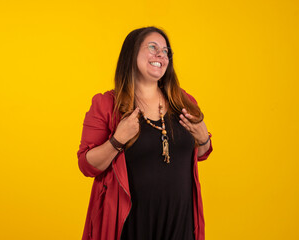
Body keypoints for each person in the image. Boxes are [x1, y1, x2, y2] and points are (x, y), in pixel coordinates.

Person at [77, 26, 213, 240]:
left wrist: (204, 138)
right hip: (130, 224)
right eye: (152, 47)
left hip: (180, 223)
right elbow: (87, 165)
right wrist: (117, 140)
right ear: (132, 54)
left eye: (166, 51)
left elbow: (197, 154)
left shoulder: (184, 101)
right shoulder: (106, 105)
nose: (161, 55)